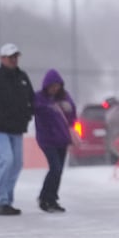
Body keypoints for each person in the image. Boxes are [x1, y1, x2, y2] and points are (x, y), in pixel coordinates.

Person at [0, 43, 35, 215]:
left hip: (16, 128)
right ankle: (1, 201)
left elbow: (31, 98)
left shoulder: (22, 77)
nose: (14, 60)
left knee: (17, 164)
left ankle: (7, 199)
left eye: (16, 56)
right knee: (7, 160)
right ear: (2, 58)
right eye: (10, 57)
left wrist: (28, 113)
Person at [33, 69, 77, 213]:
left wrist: (69, 109)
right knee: (55, 168)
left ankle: (52, 199)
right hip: (47, 139)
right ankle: (44, 197)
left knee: (58, 171)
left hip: (62, 139)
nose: (54, 88)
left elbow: (72, 117)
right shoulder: (39, 98)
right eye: (52, 86)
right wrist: (48, 108)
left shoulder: (65, 97)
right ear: (46, 85)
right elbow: (35, 110)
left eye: (57, 86)